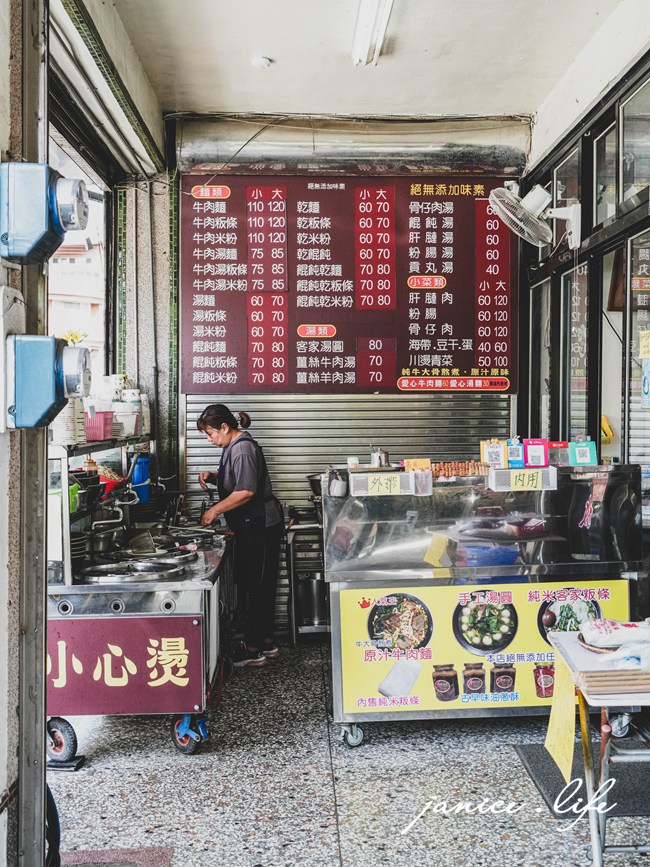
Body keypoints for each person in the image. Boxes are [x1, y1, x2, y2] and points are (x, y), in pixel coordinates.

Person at [197, 404, 283, 667]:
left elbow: (246, 491)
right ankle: (266, 642)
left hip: (261, 526)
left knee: (255, 586)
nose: (210, 440)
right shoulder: (232, 447)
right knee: (258, 583)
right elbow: (235, 480)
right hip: (253, 525)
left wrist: (214, 510)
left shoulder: (242, 448)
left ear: (225, 427)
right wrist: (213, 477)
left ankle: (253, 649)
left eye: (211, 434)